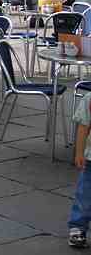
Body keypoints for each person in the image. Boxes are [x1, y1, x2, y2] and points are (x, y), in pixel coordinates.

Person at [68, 93, 91, 248]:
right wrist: (79, 152)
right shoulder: (89, 99)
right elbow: (83, 127)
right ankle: (78, 227)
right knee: (85, 195)